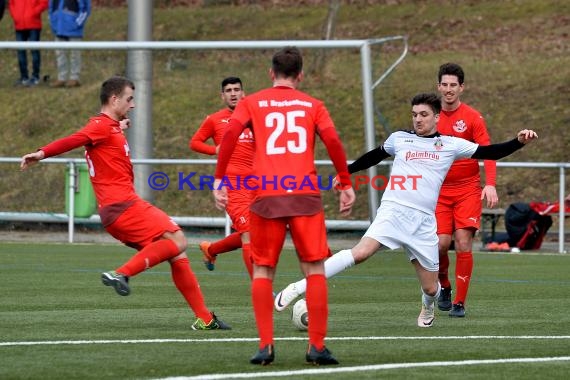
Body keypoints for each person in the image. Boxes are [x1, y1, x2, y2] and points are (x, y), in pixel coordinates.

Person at [273, 92, 538, 329]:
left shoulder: (450, 144)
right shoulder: (399, 139)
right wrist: (345, 172)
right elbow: (373, 156)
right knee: (361, 252)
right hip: (393, 211)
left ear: (436, 117)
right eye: (414, 115)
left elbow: (491, 151)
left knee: (431, 288)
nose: (418, 120)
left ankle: (428, 304)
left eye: (423, 115)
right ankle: (298, 287)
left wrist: (518, 141)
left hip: (423, 223)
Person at [20, 76, 230, 331]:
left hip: (115, 211)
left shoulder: (110, 127)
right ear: (114, 99)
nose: (132, 104)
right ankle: (122, 273)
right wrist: (41, 153)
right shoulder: (99, 126)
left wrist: (120, 127)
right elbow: (74, 139)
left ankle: (205, 319)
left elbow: (106, 134)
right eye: (129, 99)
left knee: (176, 252)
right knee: (178, 239)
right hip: (123, 205)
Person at [213, 46, 356, 366]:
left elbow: (230, 136)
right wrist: (345, 183)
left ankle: (266, 346)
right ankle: (316, 347)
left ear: (270, 74)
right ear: (301, 75)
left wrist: (219, 180)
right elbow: (333, 141)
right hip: (305, 193)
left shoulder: (251, 102)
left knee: (263, 269)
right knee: (315, 269)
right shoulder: (313, 104)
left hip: (266, 194)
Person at [435, 62, 498, 318]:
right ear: (438, 86)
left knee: (462, 243)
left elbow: (489, 152)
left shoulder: (473, 118)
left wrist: (490, 183)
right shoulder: (431, 115)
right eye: (445, 85)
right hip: (437, 191)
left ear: (462, 88)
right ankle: (445, 286)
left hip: (468, 190)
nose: (449, 90)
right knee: (440, 244)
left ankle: (459, 303)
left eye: (454, 85)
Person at [189, 76, 255, 278]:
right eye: (228, 90)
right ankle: (261, 286)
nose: (233, 93)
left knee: (253, 232)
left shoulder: (255, 117)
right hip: (231, 185)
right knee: (248, 232)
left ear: (243, 93)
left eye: (236, 89)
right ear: (222, 95)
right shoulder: (215, 119)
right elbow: (195, 142)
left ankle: (211, 250)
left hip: (259, 183)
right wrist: (215, 149)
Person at [48, 0, 91, 88]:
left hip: (74, 29)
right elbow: (51, 8)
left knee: (75, 54)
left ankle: (74, 78)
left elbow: (86, 9)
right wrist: (53, 23)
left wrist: (77, 24)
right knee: (60, 53)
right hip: (58, 28)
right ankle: (61, 78)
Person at [8, 0, 49, 86]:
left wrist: (33, 13)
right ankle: (24, 77)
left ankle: (35, 76)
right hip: (19, 24)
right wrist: (15, 15)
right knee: (20, 51)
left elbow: (44, 3)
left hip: (34, 24)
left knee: (34, 51)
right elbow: (11, 4)